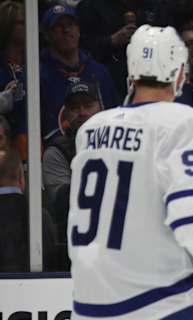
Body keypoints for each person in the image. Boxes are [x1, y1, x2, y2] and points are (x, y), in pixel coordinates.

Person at [68, 25, 193, 320]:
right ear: (179, 73)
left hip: (91, 311)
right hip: (163, 304)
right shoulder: (183, 123)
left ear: (131, 72)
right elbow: (192, 219)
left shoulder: (91, 130)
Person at [40, 4, 118, 141]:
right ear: (47, 35)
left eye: (71, 24)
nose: (66, 30)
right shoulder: (38, 75)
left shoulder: (100, 72)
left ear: (79, 30)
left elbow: (114, 119)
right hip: (55, 155)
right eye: (58, 26)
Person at [43, 80, 102, 259]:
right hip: (74, 245)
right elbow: (63, 201)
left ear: (101, 108)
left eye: (88, 105)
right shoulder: (56, 152)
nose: (82, 113)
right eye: (75, 108)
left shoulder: (122, 143)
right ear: (66, 114)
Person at [0, 1, 28, 160]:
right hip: (7, 147)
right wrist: (5, 99)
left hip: (34, 143)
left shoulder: (34, 63)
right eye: (20, 22)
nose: (26, 26)